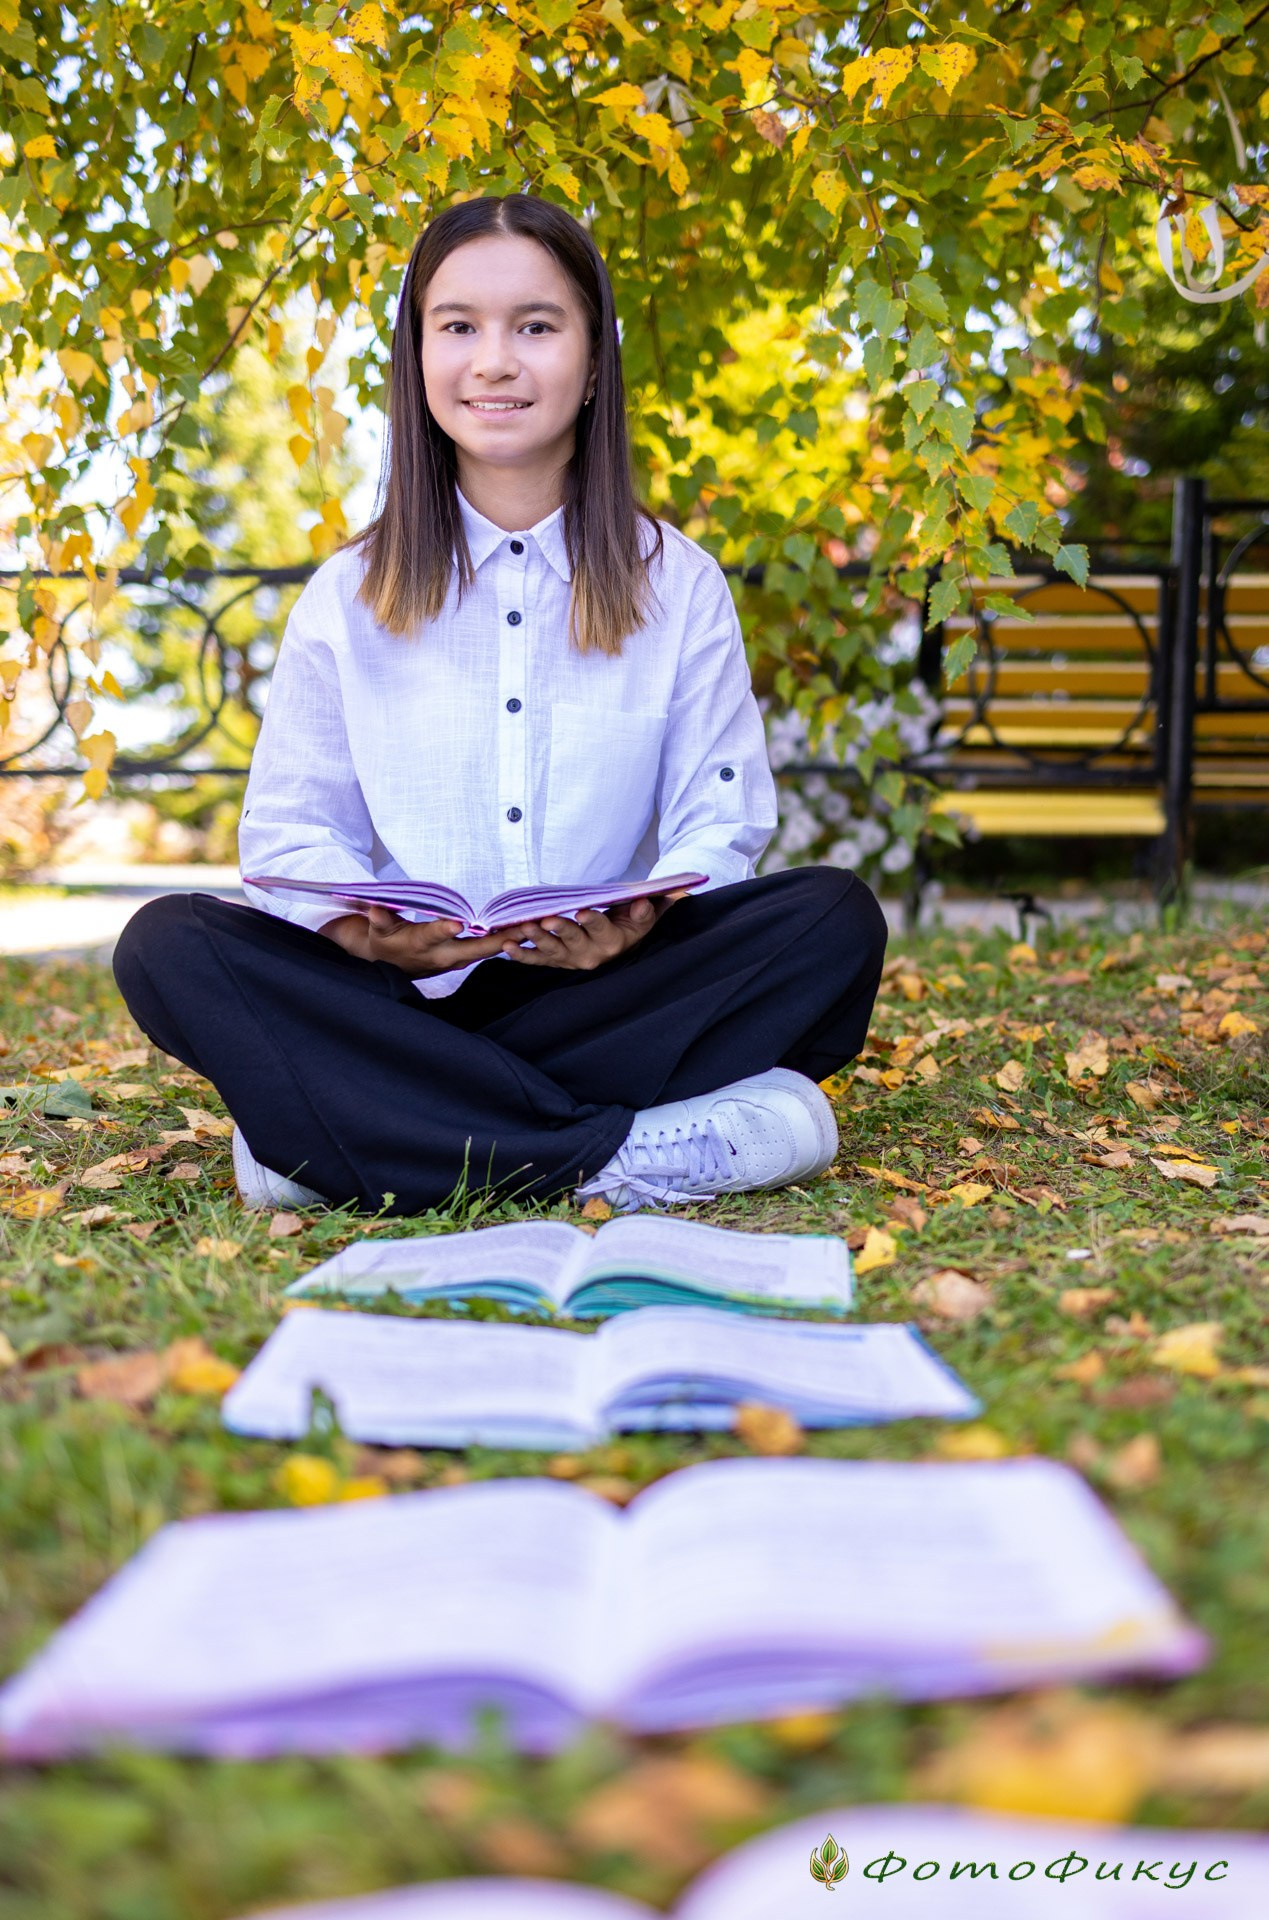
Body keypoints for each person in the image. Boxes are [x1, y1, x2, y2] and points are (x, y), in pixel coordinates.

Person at [113, 194, 887, 1218]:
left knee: (831, 919)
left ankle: (339, 1137)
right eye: (458, 326)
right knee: (168, 943)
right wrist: (363, 934)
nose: (494, 362)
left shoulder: (678, 582)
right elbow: (294, 832)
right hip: (395, 1003)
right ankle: (622, 1155)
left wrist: (640, 922)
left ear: (593, 361)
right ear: (417, 356)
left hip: (607, 995)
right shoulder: (345, 597)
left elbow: (720, 816)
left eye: (535, 325)